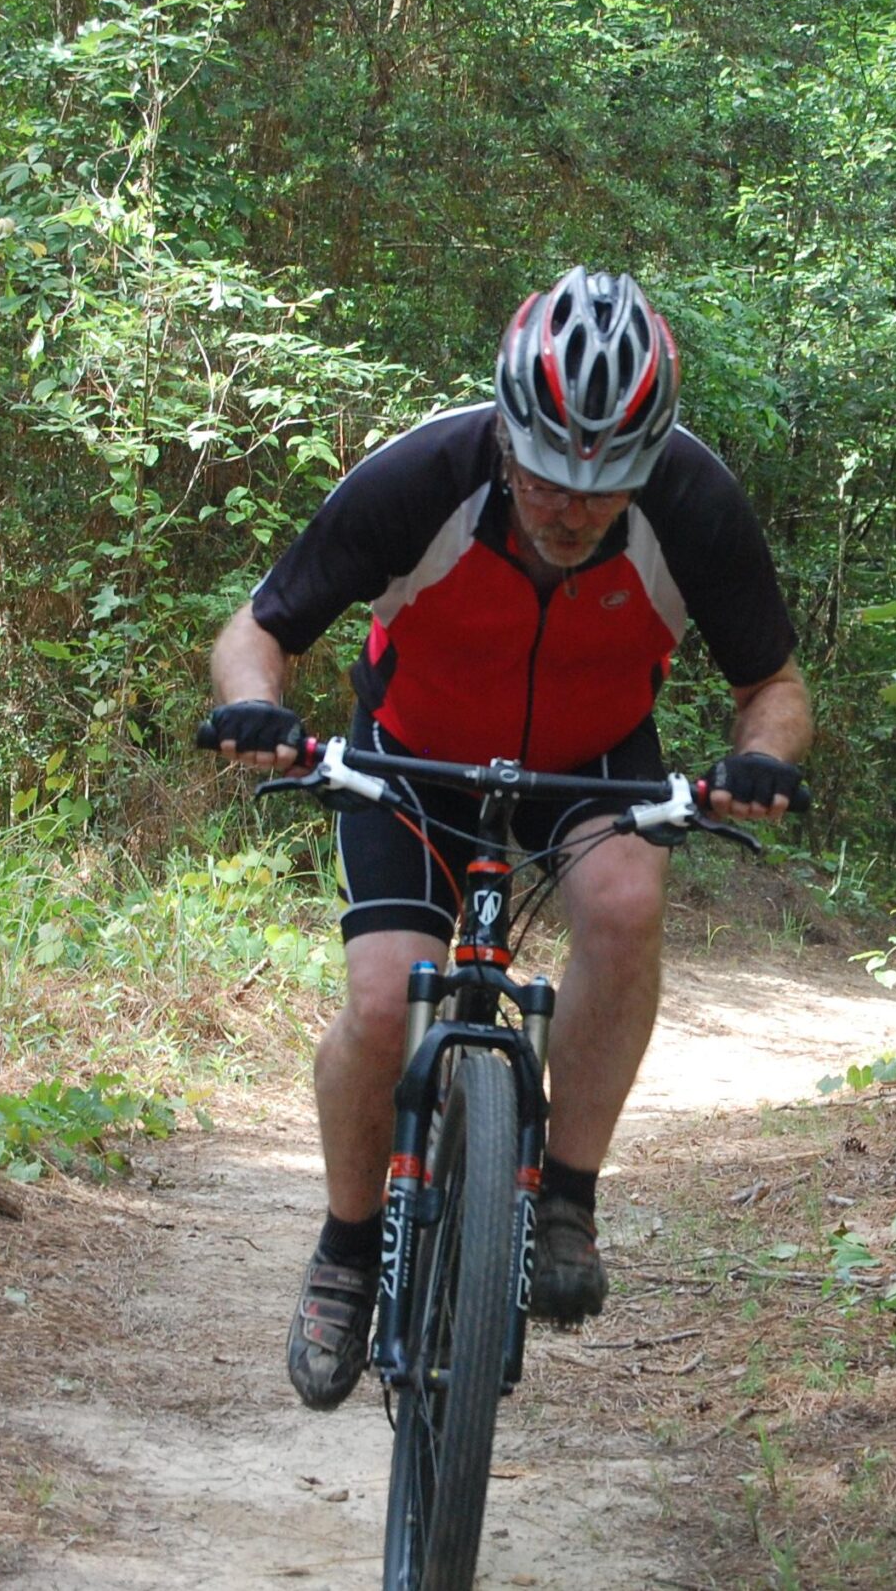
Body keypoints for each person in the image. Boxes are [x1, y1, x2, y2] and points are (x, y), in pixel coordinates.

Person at [202, 267, 811, 1412]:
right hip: (412, 748)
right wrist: (254, 706)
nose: (571, 507)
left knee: (626, 905)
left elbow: (771, 683)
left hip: (586, 760)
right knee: (386, 1001)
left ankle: (566, 1196)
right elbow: (260, 626)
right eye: (545, 474)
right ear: (503, 431)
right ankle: (343, 1250)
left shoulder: (692, 503)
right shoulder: (419, 475)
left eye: (603, 484)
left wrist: (763, 759)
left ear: (649, 459)